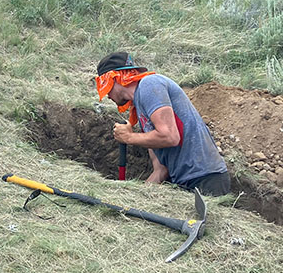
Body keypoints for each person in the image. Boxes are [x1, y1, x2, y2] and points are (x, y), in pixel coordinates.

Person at [95, 51, 230, 196]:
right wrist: (136, 197)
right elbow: (161, 170)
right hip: (184, 181)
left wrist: (128, 137)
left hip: (206, 178)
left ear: (116, 79)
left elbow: (170, 137)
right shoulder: (140, 108)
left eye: (106, 86)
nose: (107, 95)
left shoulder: (149, 84)